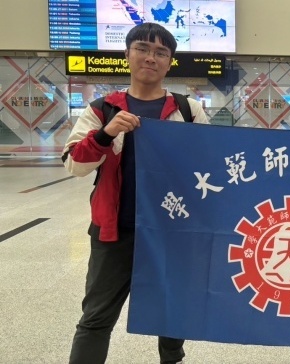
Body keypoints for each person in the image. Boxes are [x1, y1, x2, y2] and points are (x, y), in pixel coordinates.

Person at [62, 22, 209, 364]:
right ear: (127, 54)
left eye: (161, 52)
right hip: (114, 232)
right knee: (96, 318)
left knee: (172, 317)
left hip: (170, 232)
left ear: (169, 62)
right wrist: (105, 134)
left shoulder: (189, 111)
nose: (150, 57)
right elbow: (74, 164)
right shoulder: (102, 110)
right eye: (142, 48)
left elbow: (207, 163)